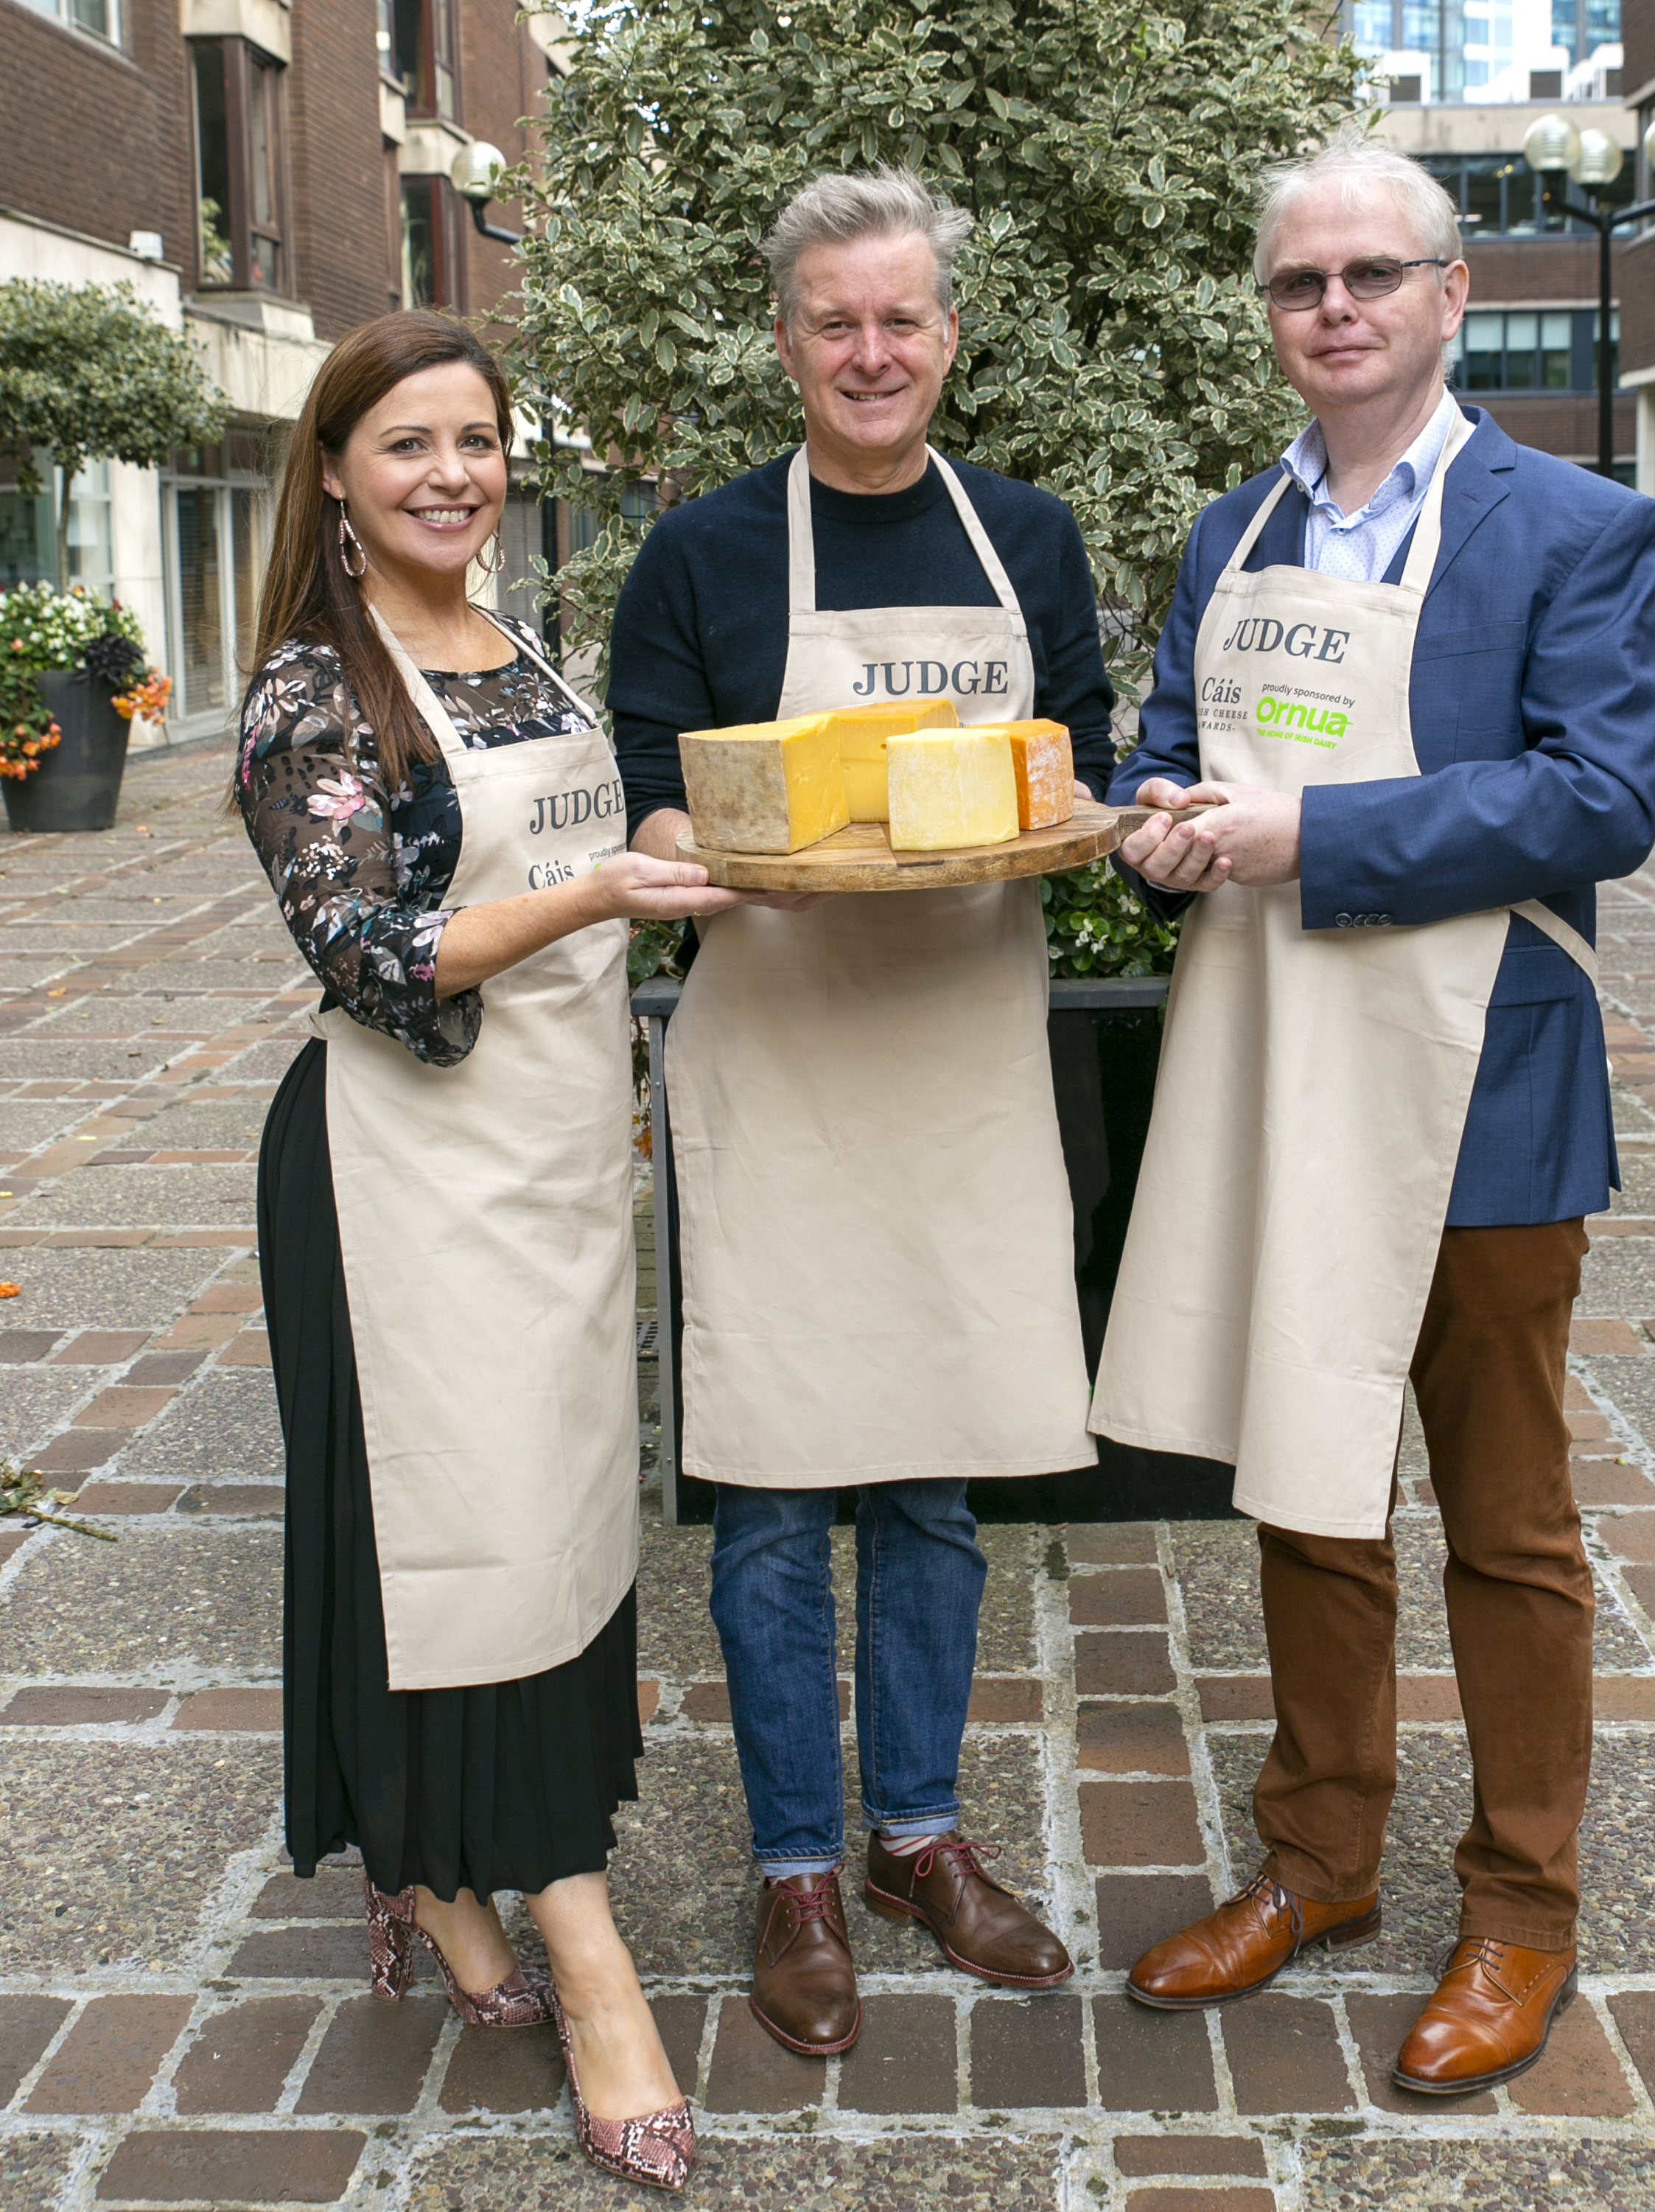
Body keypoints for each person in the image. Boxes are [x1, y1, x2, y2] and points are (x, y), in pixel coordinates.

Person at [1091, 133, 1655, 2093]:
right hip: (1277, 1059)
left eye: (1368, 277)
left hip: (1485, 1078)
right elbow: (1171, 749)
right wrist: (1159, 826)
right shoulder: (1229, 537)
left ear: (1448, 297)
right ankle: (1317, 1861)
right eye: (1294, 283)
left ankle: (1520, 1911)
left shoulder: (1574, 528)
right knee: (1305, 1485)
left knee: (1505, 1525)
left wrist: (1311, 832)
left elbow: (1602, 796)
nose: (1330, 309)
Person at [242, 311, 746, 2192]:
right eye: (407, 448)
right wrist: (597, 891)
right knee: (443, 1538)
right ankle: (586, 1952)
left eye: (476, 440)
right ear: (338, 480)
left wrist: (665, 846)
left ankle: (428, 1865)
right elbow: (362, 952)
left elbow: (591, 853)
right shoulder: (313, 686)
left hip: (540, 1169)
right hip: (393, 1176)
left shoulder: (514, 648)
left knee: (540, 1532)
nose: (452, 474)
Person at [608, 168, 1109, 2055]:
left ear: (947, 335)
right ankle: (796, 1865)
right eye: (836, 320)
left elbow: (1074, 754)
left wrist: (1087, 819)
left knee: (934, 1474)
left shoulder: (1029, 536)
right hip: (787, 1055)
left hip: (964, 1056)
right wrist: (720, 848)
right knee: (771, 1483)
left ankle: (919, 1834)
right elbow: (649, 785)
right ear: (787, 340)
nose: (872, 351)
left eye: (901, 318)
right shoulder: (707, 552)